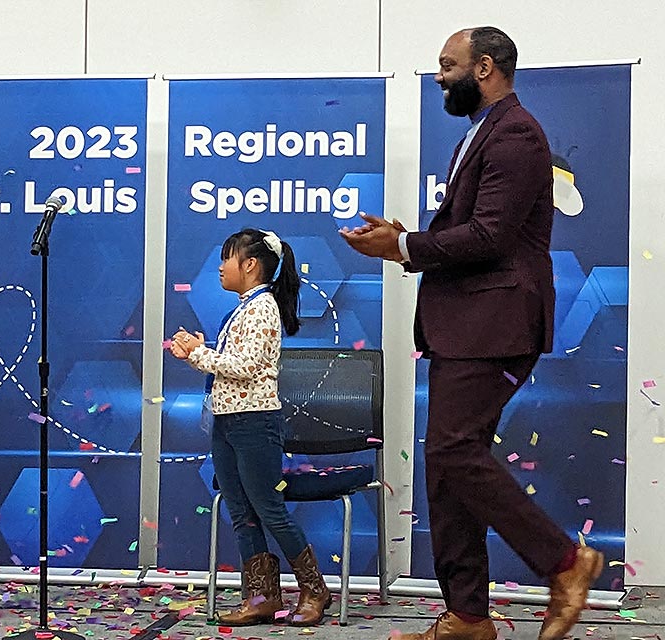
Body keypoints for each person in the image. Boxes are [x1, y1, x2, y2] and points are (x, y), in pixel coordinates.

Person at [340, 27, 602, 640]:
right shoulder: (485, 130)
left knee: (454, 452)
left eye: (447, 65)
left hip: (495, 324)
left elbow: (491, 237)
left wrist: (402, 246)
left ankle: (566, 563)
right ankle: (466, 616)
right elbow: (474, 230)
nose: (438, 77)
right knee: (445, 465)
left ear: (484, 67)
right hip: (466, 325)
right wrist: (405, 237)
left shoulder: (515, 133)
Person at [169, 228, 330, 626]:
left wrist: (200, 353)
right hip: (227, 423)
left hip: (255, 423)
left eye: (228, 259)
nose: (221, 267)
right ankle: (261, 597)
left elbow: (246, 367)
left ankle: (314, 589)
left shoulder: (263, 308)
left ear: (251, 265)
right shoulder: (244, 307)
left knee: (269, 509)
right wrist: (197, 353)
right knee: (241, 512)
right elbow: (229, 363)